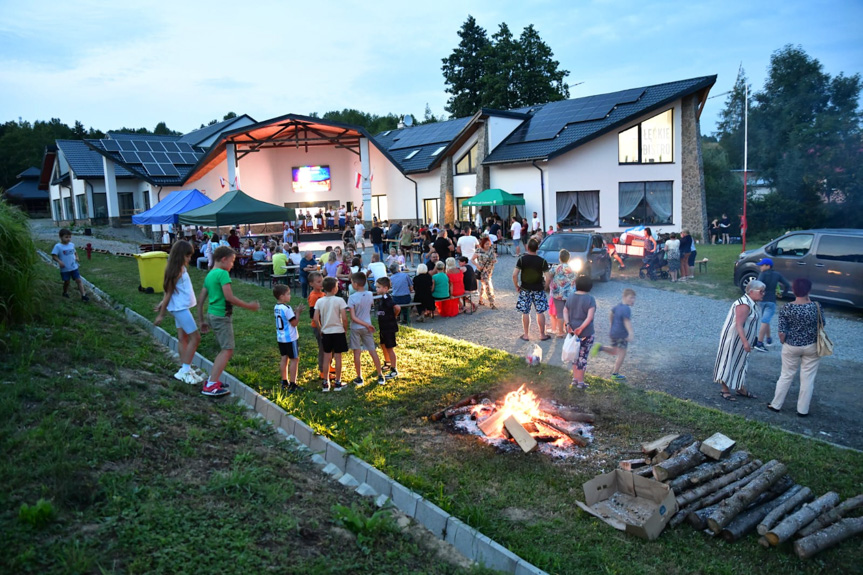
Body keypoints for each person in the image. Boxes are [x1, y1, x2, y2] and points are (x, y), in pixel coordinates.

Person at [197, 246, 260, 397]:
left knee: (225, 348)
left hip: (212, 315)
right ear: (223, 259)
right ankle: (211, 384)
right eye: (231, 261)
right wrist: (249, 306)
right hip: (221, 316)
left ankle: (213, 380)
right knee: (227, 350)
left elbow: (200, 301)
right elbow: (229, 297)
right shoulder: (223, 274)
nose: (232, 265)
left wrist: (201, 320)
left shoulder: (210, 274)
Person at [767, 278, 824, 417]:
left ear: (793, 290)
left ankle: (776, 404)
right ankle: (802, 410)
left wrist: (784, 341)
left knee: (786, 375)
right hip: (811, 345)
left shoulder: (787, 307)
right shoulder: (816, 306)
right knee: (807, 378)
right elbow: (823, 324)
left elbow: (781, 331)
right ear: (809, 290)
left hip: (791, 345)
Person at [153, 240, 203, 384]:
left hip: (180, 307)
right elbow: (168, 293)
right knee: (196, 338)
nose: (189, 259)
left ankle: (184, 368)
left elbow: (171, 292)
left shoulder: (180, 268)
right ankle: (185, 370)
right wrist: (161, 314)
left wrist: (161, 304)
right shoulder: (177, 271)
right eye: (187, 256)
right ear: (180, 255)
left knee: (183, 338)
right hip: (179, 309)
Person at [713, 280, 766, 401]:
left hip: (742, 339)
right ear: (751, 291)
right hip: (734, 339)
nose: (763, 294)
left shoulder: (752, 303)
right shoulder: (744, 304)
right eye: (761, 291)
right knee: (729, 360)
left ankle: (739, 387)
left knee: (741, 363)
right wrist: (745, 342)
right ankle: (725, 390)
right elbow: (739, 325)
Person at [347, 272, 386, 387]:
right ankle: (380, 374)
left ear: (354, 284)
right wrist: (367, 324)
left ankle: (359, 377)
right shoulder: (369, 294)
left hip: (356, 327)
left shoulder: (352, 298)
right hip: (367, 326)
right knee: (372, 350)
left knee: (357, 352)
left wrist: (364, 324)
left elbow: (353, 317)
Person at [591, 288, 636, 381]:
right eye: (631, 297)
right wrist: (630, 333)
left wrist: (612, 325)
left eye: (634, 298)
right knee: (622, 354)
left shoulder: (618, 306)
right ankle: (615, 374)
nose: (633, 300)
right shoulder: (626, 308)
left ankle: (600, 348)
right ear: (624, 297)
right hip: (622, 334)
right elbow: (627, 321)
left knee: (614, 351)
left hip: (614, 332)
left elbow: (611, 313)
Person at [313, 277, 348, 392]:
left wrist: (320, 329)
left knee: (326, 357)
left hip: (326, 332)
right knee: (338, 357)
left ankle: (326, 382)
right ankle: (338, 382)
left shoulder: (320, 301)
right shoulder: (340, 301)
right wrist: (345, 329)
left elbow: (315, 318)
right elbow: (344, 318)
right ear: (334, 289)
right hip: (338, 331)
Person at [513, 238, 552, 341]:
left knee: (525, 312)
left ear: (528, 247)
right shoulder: (542, 261)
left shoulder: (522, 259)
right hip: (538, 289)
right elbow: (548, 277)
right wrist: (545, 287)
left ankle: (526, 335)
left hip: (525, 289)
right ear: (537, 248)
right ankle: (542, 335)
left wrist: (517, 286)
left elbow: (514, 275)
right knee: (540, 312)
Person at [563, 276, 598, 389]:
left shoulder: (571, 297)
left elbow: (565, 310)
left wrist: (567, 324)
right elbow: (590, 317)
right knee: (582, 357)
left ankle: (575, 380)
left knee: (574, 356)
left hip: (573, 331)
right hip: (586, 333)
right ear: (590, 286)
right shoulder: (590, 299)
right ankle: (580, 382)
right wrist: (582, 328)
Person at [754, 257, 792, 352]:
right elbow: (787, 285)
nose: (760, 267)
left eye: (762, 265)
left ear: (768, 266)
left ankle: (763, 341)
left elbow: (757, 286)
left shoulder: (762, 275)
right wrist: (783, 294)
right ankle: (763, 341)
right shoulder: (777, 275)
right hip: (771, 301)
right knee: (765, 320)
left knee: (765, 320)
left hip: (761, 301)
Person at [273, 284, 303, 393]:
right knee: (294, 359)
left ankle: (284, 381)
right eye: (288, 294)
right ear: (281, 296)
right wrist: (298, 313)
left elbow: (286, 319)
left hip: (281, 337)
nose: (290, 296)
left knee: (284, 358)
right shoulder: (287, 308)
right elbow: (294, 323)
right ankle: (293, 383)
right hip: (290, 338)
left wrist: (293, 314)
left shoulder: (276, 307)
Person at [51, 228, 89, 302]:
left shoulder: (71, 245)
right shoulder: (58, 246)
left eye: (69, 237)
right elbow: (54, 255)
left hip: (74, 267)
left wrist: (77, 257)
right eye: (66, 237)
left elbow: (74, 252)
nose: (68, 239)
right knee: (67, 282)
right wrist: (59, 261)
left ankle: (83, 295)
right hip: (65, 268)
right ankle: (65, 292)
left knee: (78, 280)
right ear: (61, 237)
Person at [375, 277, 400, 379]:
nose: (376, 289)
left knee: (390, 347)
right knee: (383, 344)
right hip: (383, 327)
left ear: (385, 288)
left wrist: (394, 316)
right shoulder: (382, 298)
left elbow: (397, 307)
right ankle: (387, 362)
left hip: (389, 327)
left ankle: (394, 369)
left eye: (378, 287)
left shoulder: (387, 298)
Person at [549, 249, 577, 337]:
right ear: (569, 258)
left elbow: (548, 275)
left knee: (560, 312)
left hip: (558, 293)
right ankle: (568, 330)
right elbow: (575, 278)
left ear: (559, 258)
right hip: (569, 294)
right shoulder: (573, 269)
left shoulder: (555, 268)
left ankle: (560, 332)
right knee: (569, 312)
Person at [472, 235, 497, 309]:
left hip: (489, 270)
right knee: (487, 285)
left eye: (488, 243)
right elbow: (472, 259)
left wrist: (494, 260)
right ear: (483, 244)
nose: (488, 245)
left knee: (484, 285)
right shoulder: (479, 250)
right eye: (486, 244)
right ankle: (491, 302)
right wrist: (477, 265)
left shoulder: (491, 250)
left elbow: (494, 257)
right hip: (482, 271)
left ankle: (480, 300)